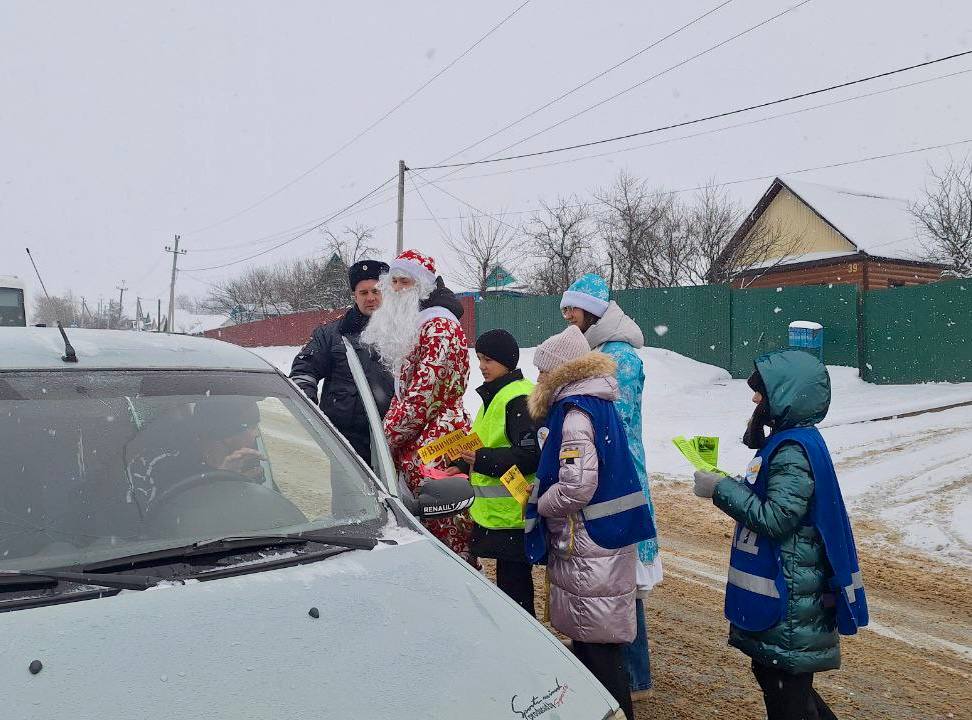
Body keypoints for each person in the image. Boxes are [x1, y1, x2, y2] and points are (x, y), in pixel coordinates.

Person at [691, 349, 869, 720]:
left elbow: (778, 518)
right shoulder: (793, 441)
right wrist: (732, 484)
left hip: (790, 593)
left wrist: (721, 489)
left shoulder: (791, 451)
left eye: (762, 391)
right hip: (790, 586)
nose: (755, 399)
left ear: (785, 396)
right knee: (780, 683)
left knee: (786, 695)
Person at [524, 325, 656, 720]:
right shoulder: (598, 403)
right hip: (604, 538)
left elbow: (577, 485)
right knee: (596, 645)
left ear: (561, 371)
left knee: (597, 651)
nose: (538, 377)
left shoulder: (575, 415)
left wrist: (540, 503)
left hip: (589, 543)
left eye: (543, 370)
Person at [561, 273, 660, 697]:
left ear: (593, 311)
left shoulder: (620, 358)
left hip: (619, 479)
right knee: (610, 579)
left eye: (573, 308)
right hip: (606, 475)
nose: (568, 316)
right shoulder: (599, 351)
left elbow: (614, 423)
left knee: (620, 581)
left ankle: (633, 676)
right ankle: (616, 667)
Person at [361, 249, 474, 561]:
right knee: (422, 532)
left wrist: (384, 439)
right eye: (394, 281)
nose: (397, 288)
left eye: (405, 282)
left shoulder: (439, 326)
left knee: (444, 535)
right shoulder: (420, 323)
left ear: (422, 286)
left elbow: (421, 399)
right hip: (422, 441)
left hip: (438, 441)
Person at [446, 329, 540, 615]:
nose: (481, 366)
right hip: (499, 514)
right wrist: (461, 463)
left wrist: (482, 459)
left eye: (488, 360)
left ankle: (522, 636)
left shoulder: (518, 398)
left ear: (506, 361)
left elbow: (531, 455)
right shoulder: (497, 394)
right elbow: (486, 440)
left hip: (512, 513)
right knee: (509, 587)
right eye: (479, 359)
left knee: (515, 591)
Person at [290, 260, 394, 466]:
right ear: (354, 296)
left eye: (376, 291)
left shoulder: (401, 333)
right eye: (363, 293)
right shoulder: (331, 334)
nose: (370, 298)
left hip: (393, 437)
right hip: (346, 443)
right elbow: (304, 370)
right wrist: (312, 413)